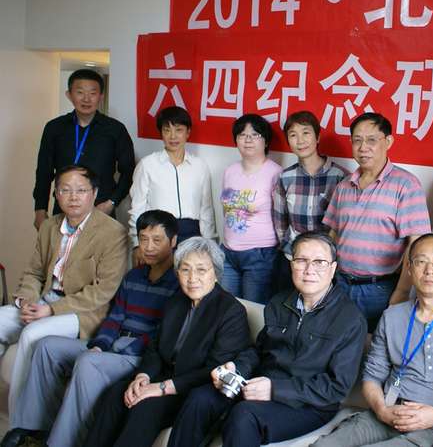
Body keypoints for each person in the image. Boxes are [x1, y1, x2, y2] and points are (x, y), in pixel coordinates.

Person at [167, 232, 367, 447]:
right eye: (301, 260)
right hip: (259, 387)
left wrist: (274, 389)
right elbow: (258, 351)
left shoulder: (350, 319)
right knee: (200, 398)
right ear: (291, 264)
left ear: (333, 268)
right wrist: (236, 368)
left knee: (244, 415)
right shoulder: (279, 303)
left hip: (309, 405)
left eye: (319, 262)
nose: (309, 270)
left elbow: (337, 387)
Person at [1, 210, 180, 447]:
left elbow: (161, 334)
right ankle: (33, 428)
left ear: (173, 241)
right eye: (143, 239)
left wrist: (115, 350)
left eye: (157, 240)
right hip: (111, 346)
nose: (148, 247)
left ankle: (58, 443)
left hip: (137, 355)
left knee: (88, 362)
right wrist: (100, 345)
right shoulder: (133, 277)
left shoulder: (179, 282)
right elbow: (115, 317)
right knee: (46, 346)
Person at [311, 233, 433, 447]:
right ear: (409, 268)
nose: (430, 270)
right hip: (386, 414)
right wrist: (382, 410)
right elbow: (372, 376)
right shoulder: (392, 316)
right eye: (421, 261)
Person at [83, 237, 251, 447]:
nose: (192, 278)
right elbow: (155, 346)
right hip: (163, 378)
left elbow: (214, 369)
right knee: (116, 393)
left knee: (145, 406)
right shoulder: (176, 301)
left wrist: (162, 388)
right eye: (185, 269)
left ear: (215, 274)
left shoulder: (231, 311)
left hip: (193, 390)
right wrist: (143, 376)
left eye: (201, 270)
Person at [0, 164, 128, 416]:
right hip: (43, 300)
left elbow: (103, 292)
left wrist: (51, 310)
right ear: (56, 195)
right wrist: (27, 300)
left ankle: (21, 423)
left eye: (81, 190)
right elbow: (34, 273)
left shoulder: (113, 233)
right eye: (65, 190)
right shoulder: (50, 227)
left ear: (94, 193)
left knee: (32, 335)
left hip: (82, 311)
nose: (73, 197)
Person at [323, 112, 431, 330]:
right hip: (339, 284)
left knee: (371, 352)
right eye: (357, 140)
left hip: (379, 289)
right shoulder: (344, 185)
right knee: (335, 345)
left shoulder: (406, 185)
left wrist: (400, 293)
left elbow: (416, 245)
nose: (363, 147)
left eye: (372, 140)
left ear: (388, 141)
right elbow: (332, 235)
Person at [33, 69, 134, 229]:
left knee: (101, 254)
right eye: (80, 92)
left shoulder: (115, 130)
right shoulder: (54, 128)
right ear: (69, 95)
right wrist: (40, 209)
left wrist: (111, 203)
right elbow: (44, 171)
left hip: (101, 210)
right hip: (63, 208)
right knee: (61, 253)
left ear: (101, 96)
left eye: (93, 93)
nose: (86, 99)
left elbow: (128, 171)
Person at [128, 106, 216, 266]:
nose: (173, 136)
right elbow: (137, 207)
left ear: (188, 132)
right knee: (157, 283)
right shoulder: (147, 164)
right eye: (167, 130)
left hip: (192, 234)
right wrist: (136, 243)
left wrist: (209, 243)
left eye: (179, 130)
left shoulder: (200, 166)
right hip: (157, 234)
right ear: (161, 133)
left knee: (188, 285)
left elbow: (206, 209)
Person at [272, 111, 348, 294]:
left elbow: (342, 225)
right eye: (293, 135)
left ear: (318, 136)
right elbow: (280, 222)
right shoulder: (285, 177)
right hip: (293, 260)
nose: (300, 140)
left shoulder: (340, 177)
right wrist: (291, 253)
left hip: (325, 264)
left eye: (306, 133)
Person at [219, 114, 282, 303]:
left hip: (260, 256)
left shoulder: (275, 172)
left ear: (266, 140)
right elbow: (226, 209)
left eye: (255, 135)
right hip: (228, 252)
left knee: (253, 311)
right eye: (242, 134)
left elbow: (281, 216)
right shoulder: (230, 171)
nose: (247, 140)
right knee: (227, 308)